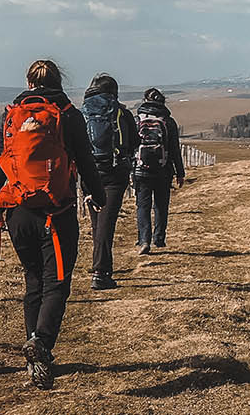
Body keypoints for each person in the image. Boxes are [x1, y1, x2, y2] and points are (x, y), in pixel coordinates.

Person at [0, 59, 103, 390]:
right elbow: (85, 160)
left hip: (16, 213)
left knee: (34, 281)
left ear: (28, 83)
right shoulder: (68, 114)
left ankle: (35, 353)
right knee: (57, 282)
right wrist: (97, 195)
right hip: (55, 214)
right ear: (59, 82)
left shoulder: (11, 116)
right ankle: (41, 344)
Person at [80, 73, 137, 291]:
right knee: (106, 222)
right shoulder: (121, 111)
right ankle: (100, 273)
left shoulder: (83, 112)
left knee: (97, 222)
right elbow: (134, 142)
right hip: (114, 174)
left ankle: (100, 265)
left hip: (88, 174)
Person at [132, 87, 186, 253]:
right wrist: (180, 172)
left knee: (142, 205)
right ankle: (159, 238)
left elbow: (131, 145)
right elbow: (175, 150)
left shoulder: (137, 120)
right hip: (164, 170)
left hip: (141, 170)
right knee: (161, 205)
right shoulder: (168, 122)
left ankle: (143, 240)